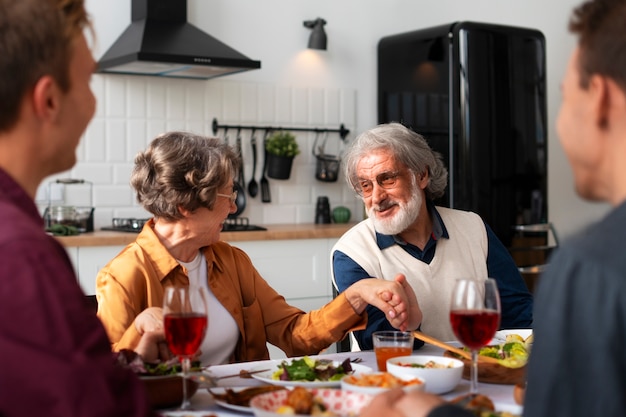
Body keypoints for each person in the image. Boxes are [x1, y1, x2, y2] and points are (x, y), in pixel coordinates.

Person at [360, 0, 626, 416]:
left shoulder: (593, 268)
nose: (554, 125)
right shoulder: (355, 250)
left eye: (565, 98)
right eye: (365, 185)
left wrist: (429, 412)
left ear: (602, 99)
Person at [95, 131, 421, 365]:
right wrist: (139, 331)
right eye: (228, 197)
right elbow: (101, 380)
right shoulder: (125, 275)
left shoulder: (231, 261)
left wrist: (356, 294)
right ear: (186, 206)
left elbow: (294, 335)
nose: (234, 209)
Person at [0, 1, 165, 416]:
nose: (93, 104)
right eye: (89, 81)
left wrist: (132, 361)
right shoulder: (22, 254)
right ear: (49, 100)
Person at [332, 122, 533, 349]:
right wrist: (409, 325)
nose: (376, 197)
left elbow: (519, 315)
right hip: (398, 381)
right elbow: (375, 343)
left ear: (422, 175)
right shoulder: (352, 252)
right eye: (366, 186)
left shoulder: (473, 227)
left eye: (387, 179)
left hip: (479, 374)